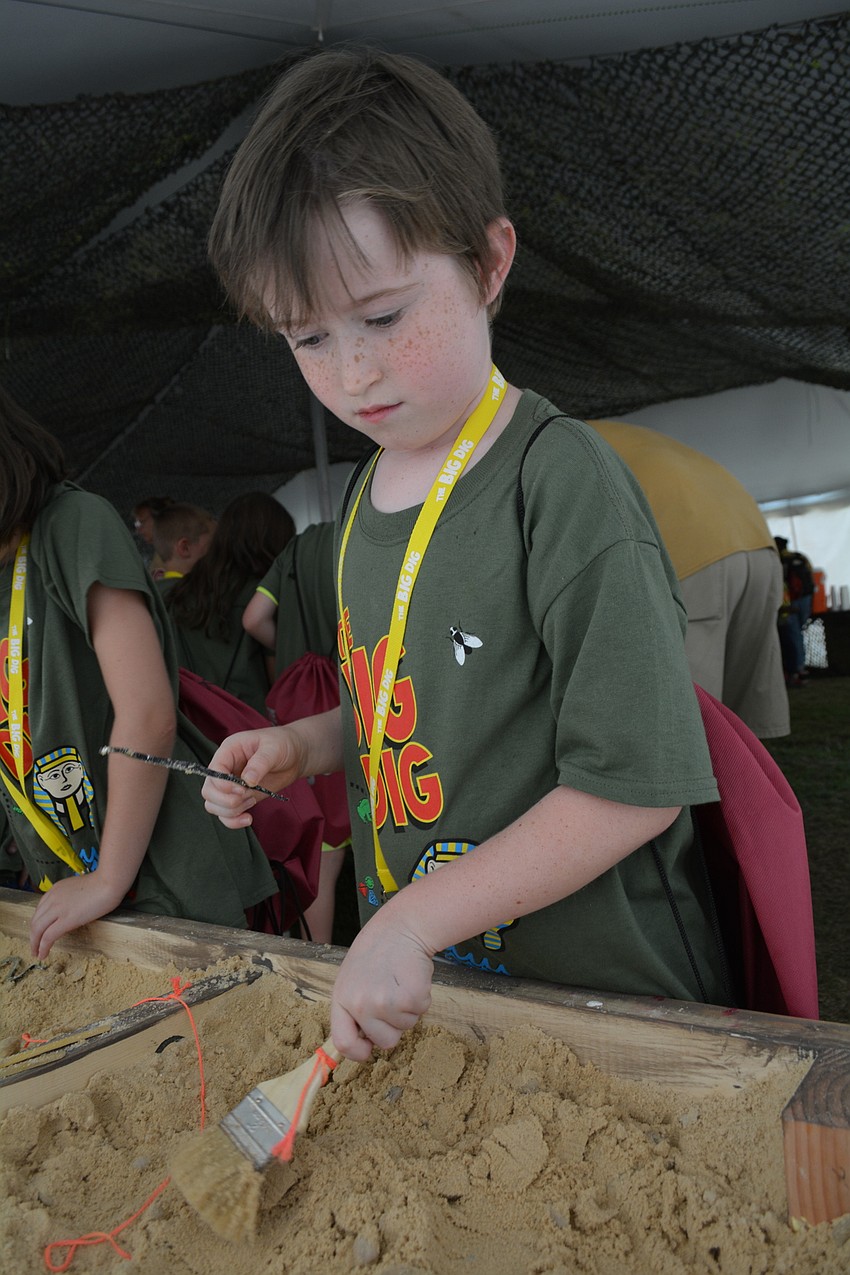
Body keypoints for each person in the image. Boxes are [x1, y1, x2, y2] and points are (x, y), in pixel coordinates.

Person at [201, 47, 726, 1063]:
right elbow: (412, 701)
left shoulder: (557, 482)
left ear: (489, 263)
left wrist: (405, 920)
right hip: (446, 1003)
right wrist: (307, 748)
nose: (352, 371)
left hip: (609, 1014)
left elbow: (633, 785)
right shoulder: (360, 497)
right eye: (305, 338)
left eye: (384, 316)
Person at [0, 385, 276, 958]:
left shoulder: (70, 524)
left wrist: (109, 879)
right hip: (69, 872)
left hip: (161, 871)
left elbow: (146, 710)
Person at [588, 420, 789, 738]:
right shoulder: (604, 432)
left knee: (689, 727)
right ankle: (750, 784)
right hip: (755, 540)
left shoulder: (537, 446)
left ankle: (723, 781)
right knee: (739, 721)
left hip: (692, 549)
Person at [243, 520, 349, 942]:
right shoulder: (367, 532)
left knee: (321, 854)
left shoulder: (300, 545)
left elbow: (253, 618)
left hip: (300, 716)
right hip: (366, 704)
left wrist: (291, 653)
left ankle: (315, 961)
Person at [164, 491, 295, 714]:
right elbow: (283, 685)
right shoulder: (266, 597)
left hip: (189, 727)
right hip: (250, 731)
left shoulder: (173, 592)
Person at [774, 536, 815, 686]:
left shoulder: (779, 561)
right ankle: (800, 670)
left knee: (792, 637)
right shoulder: (800, 557)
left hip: (789, 605)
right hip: (805, 600)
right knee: (798, 635)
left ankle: (796, 671)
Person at [150, 502, 215, 582]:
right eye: (214, 544)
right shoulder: (194, 591)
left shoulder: (160, 589)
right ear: (185, 548)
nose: (221, 550)